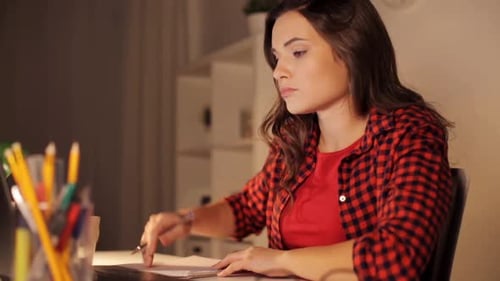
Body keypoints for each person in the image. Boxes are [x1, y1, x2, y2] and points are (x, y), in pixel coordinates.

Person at [139, 0, 453, 280]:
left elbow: (397, 257)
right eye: (276, 58)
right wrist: (187, 219)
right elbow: (247, 208)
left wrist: (280, 261)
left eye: (298, 52)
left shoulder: (408, 132)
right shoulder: (297, 139)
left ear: (353, 49)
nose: (278, 72)